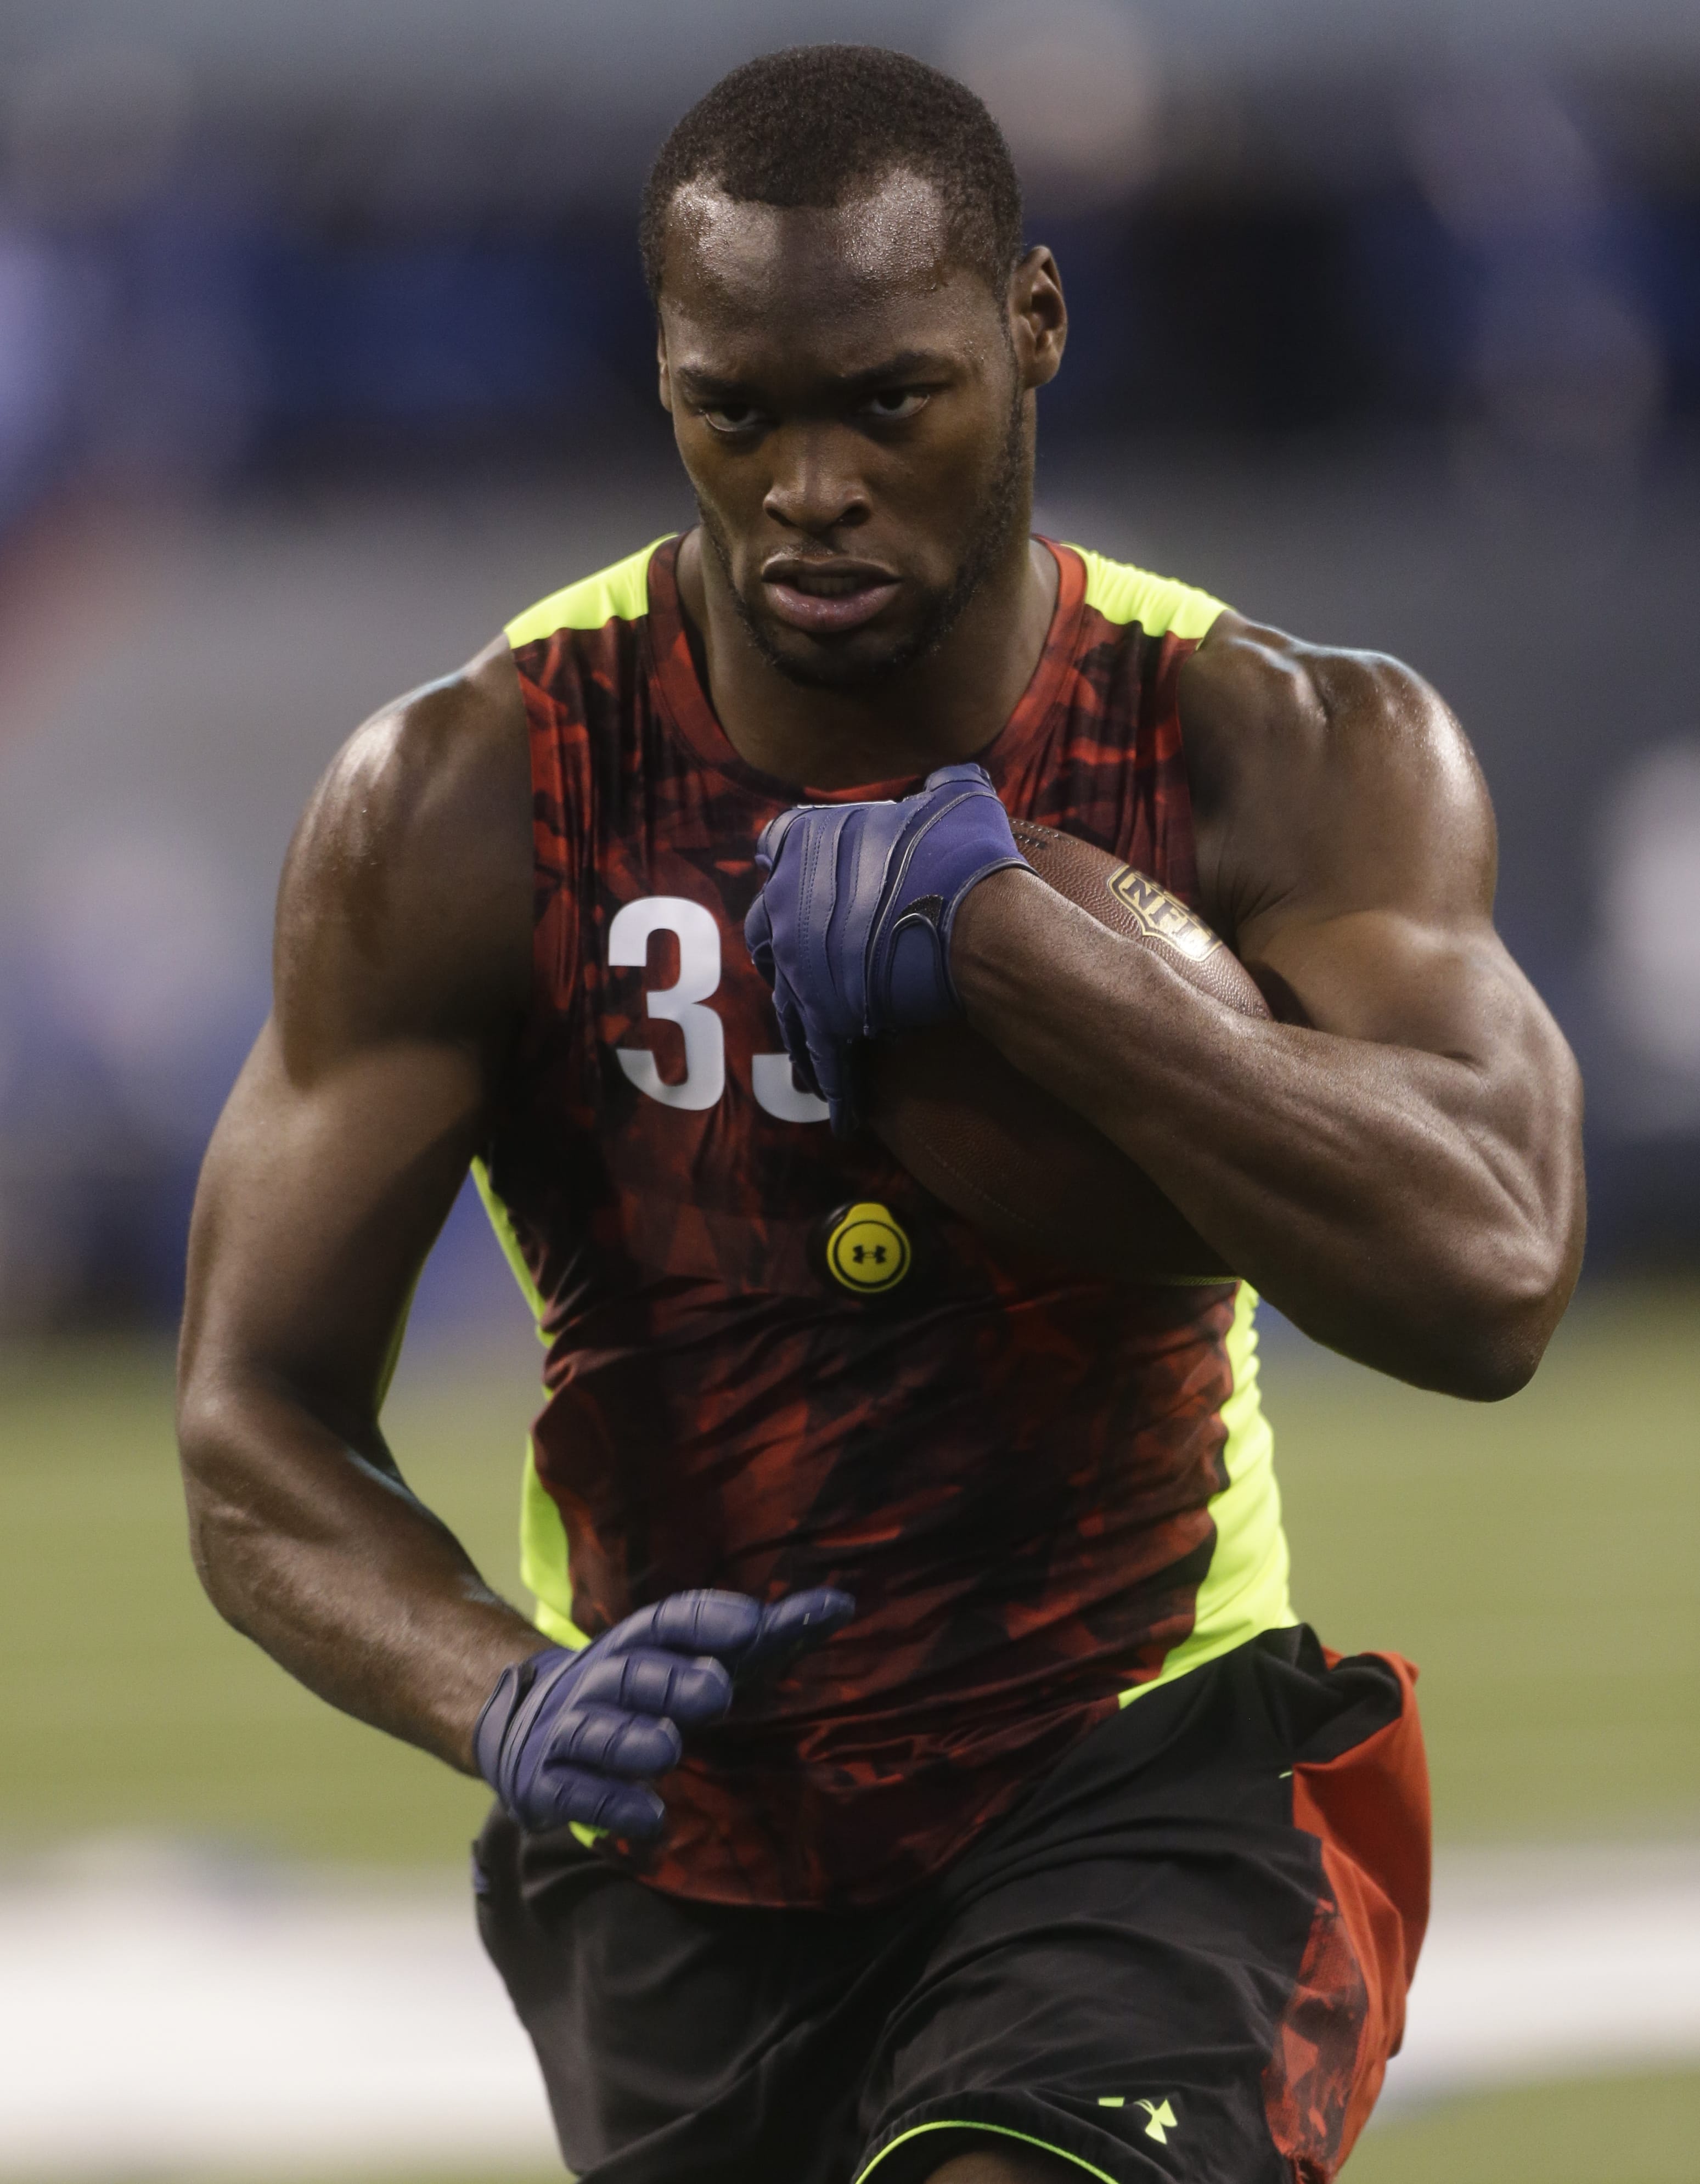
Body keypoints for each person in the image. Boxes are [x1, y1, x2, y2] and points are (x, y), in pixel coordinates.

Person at [176, 44, 1584, 2184]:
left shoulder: (1270, 740)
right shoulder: (472, 792)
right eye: (736, 414)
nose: (808, 486)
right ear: (663, 379)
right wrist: (499, 1689)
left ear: (1030, 327)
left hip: (1138, 1766)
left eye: (885, 403)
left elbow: (1487, 1273)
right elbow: (251, 1419)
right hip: (685, 1866)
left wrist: (1023, 945)